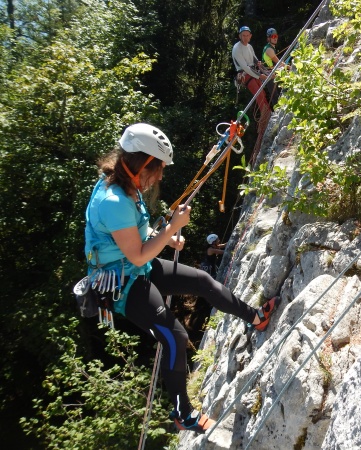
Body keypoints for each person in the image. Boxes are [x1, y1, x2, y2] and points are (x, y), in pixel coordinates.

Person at [83, 123, 280, 433]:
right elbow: (137, 256)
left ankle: (255, 318)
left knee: (202, 281)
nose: (161, 176)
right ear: (144, 163)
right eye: (159, 168)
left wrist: (164, 236)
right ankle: (183, 413)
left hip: (134, 268)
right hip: (123, 284)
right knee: (174, 337)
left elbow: (132, 238)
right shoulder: (114, 201)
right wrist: (171, 229)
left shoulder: (125, 186)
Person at [231, 25, 274, 112]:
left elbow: (255, 60)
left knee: (262, 93)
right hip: (245, 74)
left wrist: (265, 70)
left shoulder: (249, 46)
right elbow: (245, 67)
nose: (245, 37)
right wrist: (260, 76)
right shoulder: (237, 48)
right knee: (259, 94)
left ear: (250, 36)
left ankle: (268, 112)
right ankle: (266, 115)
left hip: (253, 71)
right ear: (240, 36)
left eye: (247, 35)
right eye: (243, 35)